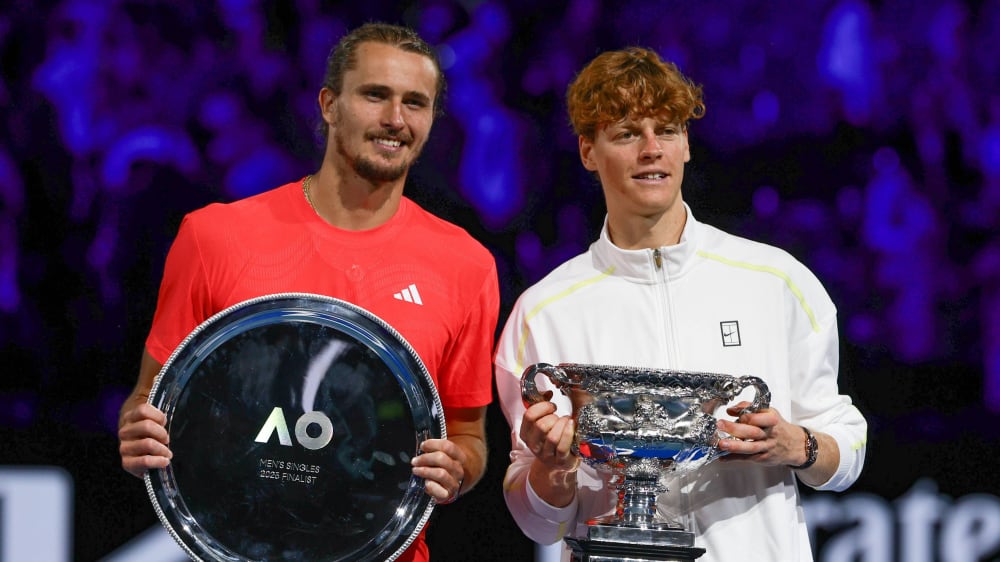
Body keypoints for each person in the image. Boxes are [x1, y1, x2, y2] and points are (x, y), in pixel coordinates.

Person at [117, 22, 500, 562]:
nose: (396, 119)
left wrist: (456, 468)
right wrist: (139, 433)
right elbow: (151, 399)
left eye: (416, 103)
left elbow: (469, 437)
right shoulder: (214, 237)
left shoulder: (467, 266)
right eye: (375, 95)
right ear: (329, 104)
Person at [494, 47, 867, 561]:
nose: (652, 149)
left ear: (686, 144)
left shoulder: (777, 281)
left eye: (666, 130)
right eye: (627, 133)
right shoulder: (545, 310)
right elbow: (538, 523)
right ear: (587, 151)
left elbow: (847, 448)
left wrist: (796, 445)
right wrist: (548, 465)